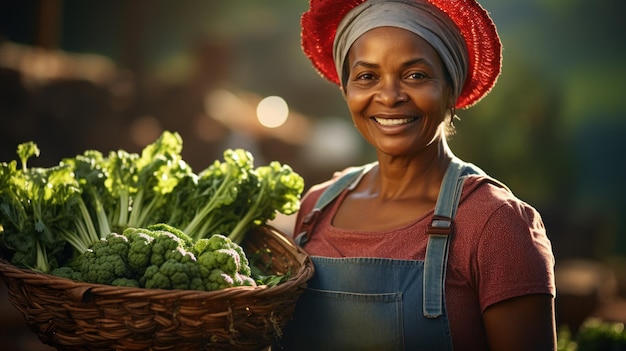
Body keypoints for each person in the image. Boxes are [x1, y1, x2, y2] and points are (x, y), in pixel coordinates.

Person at [275, 0, 556, 350]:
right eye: (367, 77)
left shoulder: (496, 223)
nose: (389, 96)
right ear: (347, 91)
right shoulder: (317, 207)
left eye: (416, 75)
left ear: (452, 88)